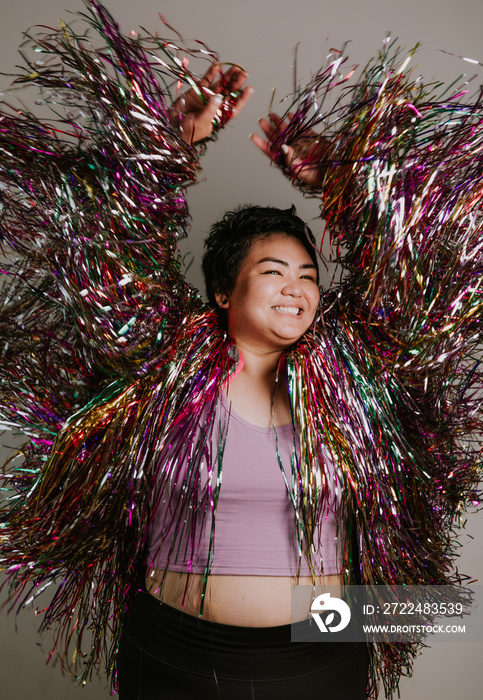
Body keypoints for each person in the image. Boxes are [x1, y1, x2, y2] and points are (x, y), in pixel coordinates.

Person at [1, 3, 482, 700]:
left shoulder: (352, 373)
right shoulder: (162, 365)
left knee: (448, 613)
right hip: (173, 647)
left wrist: (347, 187)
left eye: (309, 277)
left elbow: (432, 284)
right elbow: (108, 266)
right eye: (273, 272)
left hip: (316, 655)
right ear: (223, 293)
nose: (297, 290)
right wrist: (172, 148)